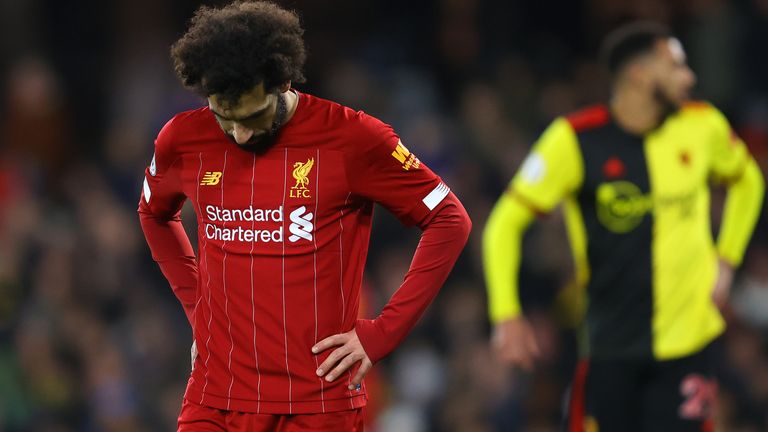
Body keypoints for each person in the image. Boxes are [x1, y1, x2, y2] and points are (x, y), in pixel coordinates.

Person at [137, 2, 471, 431]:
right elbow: (153, 214)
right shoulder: (182, 139)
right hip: (215, 396)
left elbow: (449, 219)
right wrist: (197, 308)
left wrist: (382, 333)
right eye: (226, 117)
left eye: (253, 116)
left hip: (317, 404)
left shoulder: (352, 139)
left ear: (283, 82)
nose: (240, 133)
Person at [483, 22, 764, 431]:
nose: (689, 77)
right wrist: (506, 313)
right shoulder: (574, 139)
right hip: (609, 351)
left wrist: (728, 257)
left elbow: (748, 181)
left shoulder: (702, 125)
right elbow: (503, 224)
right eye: (676, 66)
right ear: (640, 76)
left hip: (688, 348)